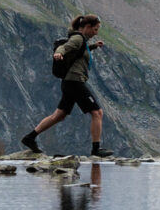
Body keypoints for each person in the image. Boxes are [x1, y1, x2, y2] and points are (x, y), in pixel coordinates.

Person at [23, 14, 108, 156]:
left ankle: (29, 138)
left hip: (70, 82)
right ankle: (96, 149)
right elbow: (65, 47)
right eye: (95, 29)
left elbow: (80, 51)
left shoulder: (82, 40)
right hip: (74, 82)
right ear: (87, 27)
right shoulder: (77, 38)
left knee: (59, 115)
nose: (96, 33)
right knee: (97, 113)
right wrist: (58, 53)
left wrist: (94, 46)